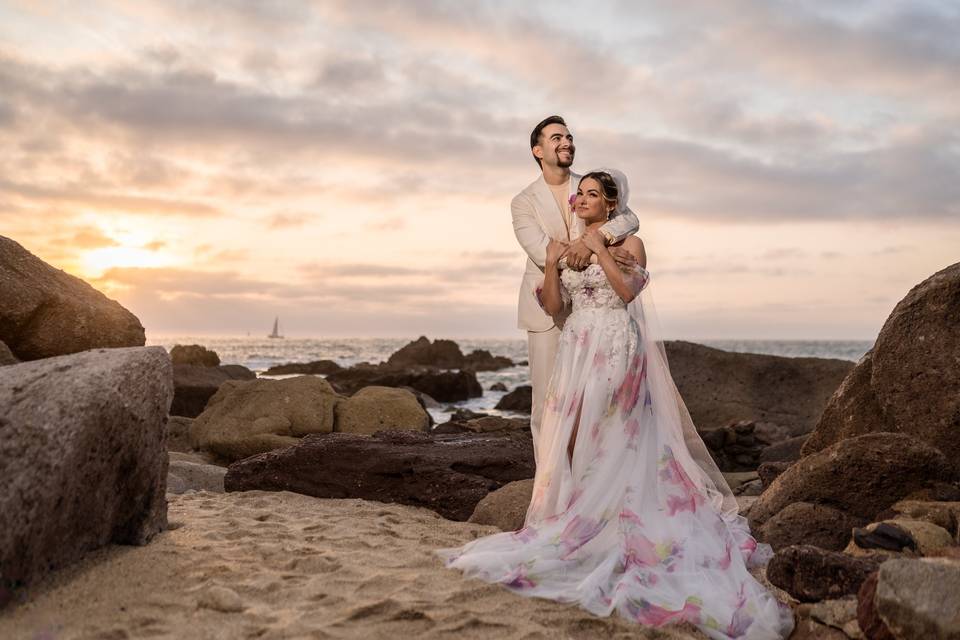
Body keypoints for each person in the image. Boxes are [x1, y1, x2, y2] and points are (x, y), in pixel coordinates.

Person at [439, 171, 794, 640]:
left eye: (591, 194)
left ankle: (618, 524)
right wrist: (550, 265)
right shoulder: (564, 247)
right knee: (573, 435)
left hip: (613, 342)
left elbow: (626, 293)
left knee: (615, 436)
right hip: (576, 348)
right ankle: (582, 521)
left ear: (610, 206)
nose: (581, 199)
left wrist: (601, 249)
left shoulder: (632, 244)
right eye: (578, 193)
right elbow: (552, 307)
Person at [511, 115, 639, 463]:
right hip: (549, 308)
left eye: (568, 136)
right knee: (548, 404)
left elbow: (629, 218)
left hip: (595, 309)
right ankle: (549, 489)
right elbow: (540, 251)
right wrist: (582, 252)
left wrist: (596, 240)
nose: (566, 142)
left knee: (595, 402)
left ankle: (590, 477)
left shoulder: (589, 185)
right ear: (538, 150)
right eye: (556, 138)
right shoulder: (523, 202)